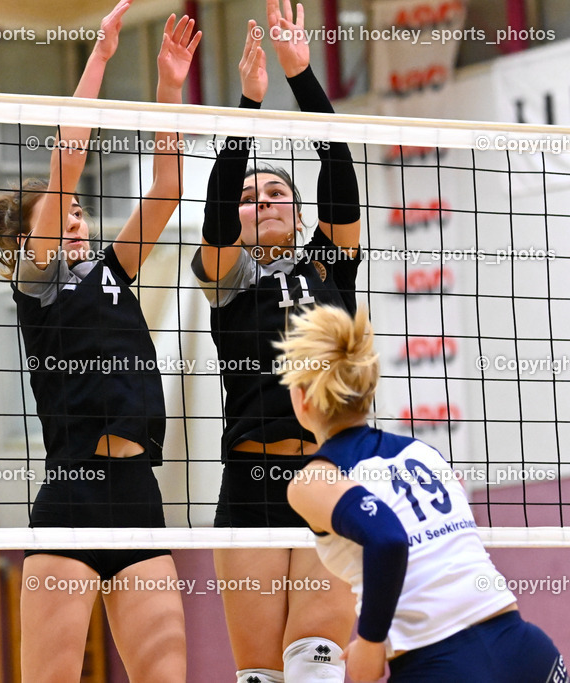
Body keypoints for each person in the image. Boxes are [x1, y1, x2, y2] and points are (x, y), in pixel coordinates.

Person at [0, 2, 199, 680]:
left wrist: (169, 86)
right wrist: (101, 58)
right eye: (60, 215)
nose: (74, 220)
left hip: (140, 494)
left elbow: (167, 190)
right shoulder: (37, 284)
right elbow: (67, 159)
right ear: (22, 245)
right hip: (72, 496)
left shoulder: (112, 269)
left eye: (78, 213)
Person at [195, 2, 362, 681]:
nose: (262, 200)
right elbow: (212, 216)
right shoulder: (226, 276)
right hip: (249, 480)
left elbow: (340, 169)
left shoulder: (331, 264)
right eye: (250, 194)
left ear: (297, 213)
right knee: (261, 673)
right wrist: (246, 106)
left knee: (317, 662)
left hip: (325, 469)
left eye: (275, 192)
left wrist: (299, 71)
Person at [277, 304, 567, 683]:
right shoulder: (423, 454)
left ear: (302, 398)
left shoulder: (313, 481)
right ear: (369, 388)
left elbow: (388, 538)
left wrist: (370, 642)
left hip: (442, 666)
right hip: (526, 650)